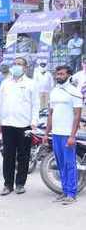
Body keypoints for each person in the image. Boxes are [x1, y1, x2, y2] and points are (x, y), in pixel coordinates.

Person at [0, 57, 39, 196]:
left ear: (25, 67)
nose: (16, 66)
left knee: (23, 155)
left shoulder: (31, 84)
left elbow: (36, 104)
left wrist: (34, 121)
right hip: (7, 124)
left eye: (19, 64)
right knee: (8, 155)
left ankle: (20, 183)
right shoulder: (5, 83)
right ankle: (7, 184)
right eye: (15, 64)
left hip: (24, 125)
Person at [45, 65, 83, 205]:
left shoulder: (75, 92)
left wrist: (72, 136)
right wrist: (46, 133)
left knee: (70, 164)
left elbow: (77, 116)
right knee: (60, 164)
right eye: (57, 74)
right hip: (56, 134)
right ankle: (64, 191)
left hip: (68, 134)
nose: (58, 76)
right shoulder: (54, 91)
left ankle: (71, 194)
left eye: (61, 74)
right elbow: (50, 113)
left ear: (69, 75)